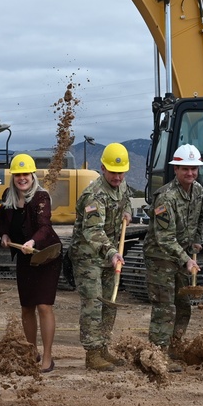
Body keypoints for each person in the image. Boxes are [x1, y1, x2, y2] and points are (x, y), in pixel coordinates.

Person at [69, 142, 133, 371]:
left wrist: (128, 212)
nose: (117, 177)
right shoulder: (94, 195)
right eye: (113, 172)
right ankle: (92, 353)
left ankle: (104, 346)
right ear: (103, 168)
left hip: (108, 254)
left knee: (110, 302)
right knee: (94, 304)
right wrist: (112, 252)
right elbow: (93, 231)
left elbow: (126, 201)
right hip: (89, 255)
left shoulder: (122, 185)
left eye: (121, 172)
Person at [143, 143, 203, 373]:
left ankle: (174, 348)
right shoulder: (165, 198)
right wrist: (186, 259)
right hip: (160, 257)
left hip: (181, 256)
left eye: (194, 169)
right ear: (176, 170)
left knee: (183, 306)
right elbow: (164, 238)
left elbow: (201, 216)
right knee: (164, 308)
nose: (190, 173)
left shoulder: (198, 190)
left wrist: (196, 239)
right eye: (185, 169)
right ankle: (156, 357)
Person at [0, 153, 63, 373]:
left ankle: (47, 357)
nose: (22, 178)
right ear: (13, 176)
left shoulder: (41, 197)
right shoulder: (8, 196)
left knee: (44, 305)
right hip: (25, 258)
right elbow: (2, 221)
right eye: (18, 174)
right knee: (27, 307)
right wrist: (5, 236)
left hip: (46, 255)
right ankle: (31, 352)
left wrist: (33, 240)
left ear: (33, 175)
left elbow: (44, 227)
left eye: (26, 174)